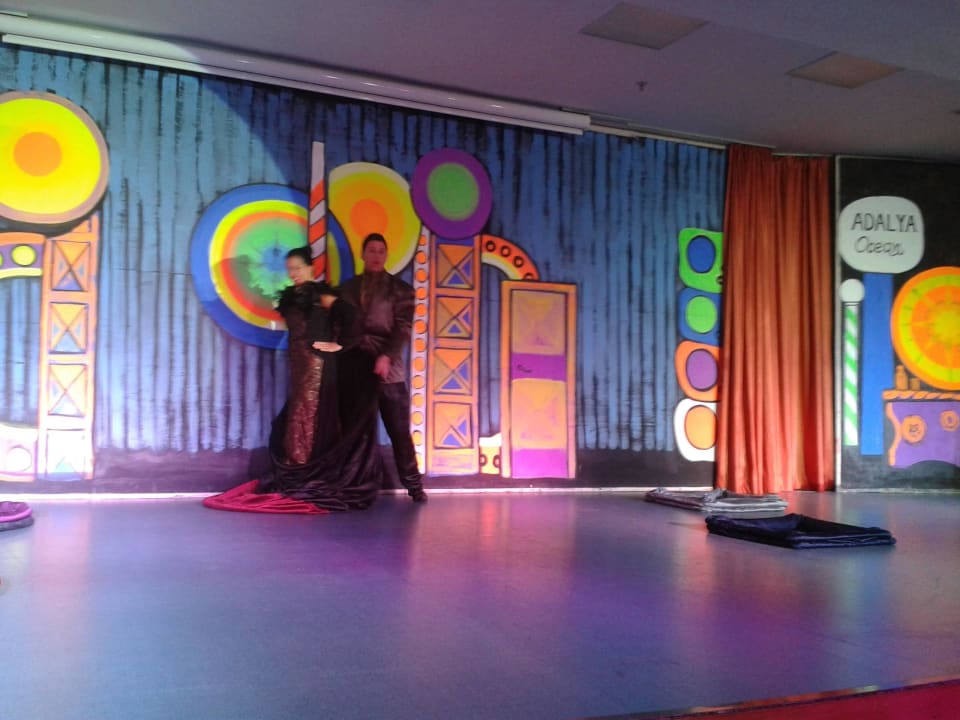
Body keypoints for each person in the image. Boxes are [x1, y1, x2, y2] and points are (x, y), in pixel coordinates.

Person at [204, 246, 384, 513]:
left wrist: (340, 345)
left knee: (309, 414)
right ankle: (297, 467)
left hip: (317, 364)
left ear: (311, 268)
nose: (294, 273)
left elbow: (352, 316)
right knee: (298, 414)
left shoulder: (319, 295)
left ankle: (304, 469)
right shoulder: (293, 296)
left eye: (298, 268)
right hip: (298, 363)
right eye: (290, 269)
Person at [339, 233, 428, 503]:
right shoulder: (347, 289)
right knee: (354, 431)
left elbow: (403, 328)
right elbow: (340, 327)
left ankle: (414, 486)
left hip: (388, 368)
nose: (376, 255)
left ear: (386, 255)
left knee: (399, 430)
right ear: (363, 254)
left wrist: (387, 356)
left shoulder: (400, 290)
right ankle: (351, 486)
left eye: (381, 251)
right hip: (355, 366)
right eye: (371, 250)